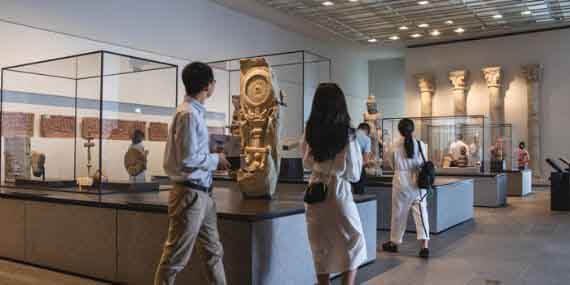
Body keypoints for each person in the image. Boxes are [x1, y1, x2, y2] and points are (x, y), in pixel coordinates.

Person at [154, 62, 231, 285]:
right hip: (190, 194)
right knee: (174, 259)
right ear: (208, 85)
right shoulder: (188, 114)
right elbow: (187, 160)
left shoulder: (192, 113)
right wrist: (217, 159)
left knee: (213, 253)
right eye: (214, 81)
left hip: (201, 194)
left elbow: (191, 154)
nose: (214, 85)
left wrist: (211, 153)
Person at [302, 83, 367, 285]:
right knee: (354, 242)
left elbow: (306, 162)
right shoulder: (348, 134)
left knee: (320, 245)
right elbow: (355, 174)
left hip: (314, 192)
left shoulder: (309, 131)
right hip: (338, 192)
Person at [382, 118, 430, 258]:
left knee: (398, 213)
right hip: (418, 182)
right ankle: (424, 246)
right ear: (413, 129)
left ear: (399, 130)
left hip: (401, 182)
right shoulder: (421, 145)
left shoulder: (393, 146)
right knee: (421, 213)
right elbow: (424, 162)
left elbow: (391, 164)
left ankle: (394, 242)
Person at [353, 123, 372, 194]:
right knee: (360, 192)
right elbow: (366, 160)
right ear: (367, 130)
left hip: (346, 167)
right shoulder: (366, 139)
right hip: (358, 168)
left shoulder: (350, 135)